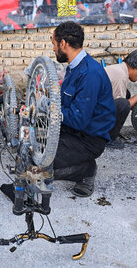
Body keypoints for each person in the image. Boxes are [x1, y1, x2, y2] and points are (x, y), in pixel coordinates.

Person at [51, 21, 116, 197]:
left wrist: (51, 111)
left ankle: (86, 169)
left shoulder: (89, 74)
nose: (54, 49)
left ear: (63, 44)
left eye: (54, 44)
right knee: (32, 144)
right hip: (72, 131)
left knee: (40, 163)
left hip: (88, 140)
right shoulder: (74, 67)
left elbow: (79, 118)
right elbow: (67, 104)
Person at [104, 49, 137, 149]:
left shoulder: (119, 69)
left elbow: (115, 100)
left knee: (126, 94)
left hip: (93, 108)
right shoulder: (120, 75)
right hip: (90, 116)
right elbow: (118, 106)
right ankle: (107, 138)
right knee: (124, 104)